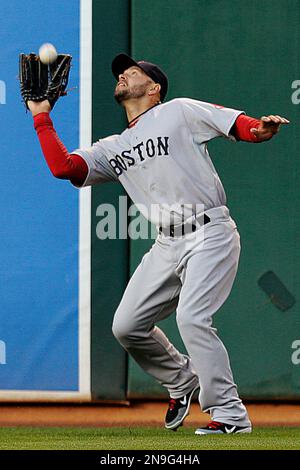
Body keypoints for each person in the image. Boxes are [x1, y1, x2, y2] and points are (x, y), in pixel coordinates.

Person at [27, 53, 289, 435]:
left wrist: (258, 129)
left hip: (209, 232)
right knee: (127, 325)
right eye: (120, 72)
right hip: (167, 243)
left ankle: (230, 414)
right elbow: (64, 167)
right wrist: (40, 114)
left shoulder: (178, 111)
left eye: (132, 72)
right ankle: (181, 379)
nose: (122, 75)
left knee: (192, 317)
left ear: (154, 89)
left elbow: (233, 123)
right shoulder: (114, 146)